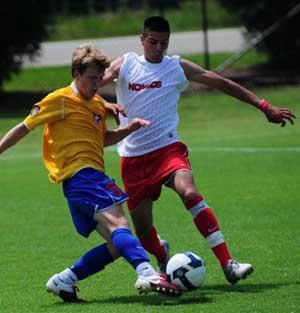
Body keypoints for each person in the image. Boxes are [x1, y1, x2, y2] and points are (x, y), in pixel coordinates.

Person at [99, 16, 296, 285]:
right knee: (144, 233)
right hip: (133, 158)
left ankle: (228, 263)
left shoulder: (176, 67)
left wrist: (263, 106)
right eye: (153, 42)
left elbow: (220, 82)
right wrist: (104, 104)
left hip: (167, 148)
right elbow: (90, 85)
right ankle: (161, 253)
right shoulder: (126, 64)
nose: (158, 48)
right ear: (142, 40)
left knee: (189, 192)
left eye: (163, 43)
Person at [0, 43, 182, 303]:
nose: (97, 84)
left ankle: (65, 280)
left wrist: (128, 130)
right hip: (83, 176)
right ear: (76, 74)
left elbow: (102, 139)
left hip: (82, 183)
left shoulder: (97, 104)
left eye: (100, 78)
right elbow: (23, 127)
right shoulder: (59, 100)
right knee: (120, 225)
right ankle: (147, 273)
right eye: (91, 78)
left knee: (118, 244)